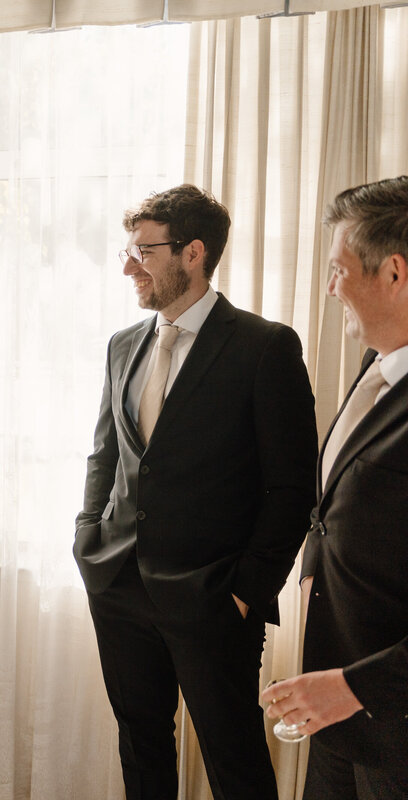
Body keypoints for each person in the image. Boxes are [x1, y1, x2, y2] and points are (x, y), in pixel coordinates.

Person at [74, 185, 318, 799]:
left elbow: (292, 488)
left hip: (214, 597)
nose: (128, 265)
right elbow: (105, 453)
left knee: (233, 757)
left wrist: (245, 591)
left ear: (192, 253)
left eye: (143, 251)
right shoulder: (122, 345)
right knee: (141, 745)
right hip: (119, 583)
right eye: (128, 250)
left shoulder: (266, 347)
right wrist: (87, 539)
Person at [260, 176, 408, 798]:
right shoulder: (378, 364)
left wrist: (355, 688)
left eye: (337, 270)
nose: (328, 290)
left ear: (394, 273)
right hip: (337, 708)